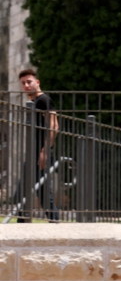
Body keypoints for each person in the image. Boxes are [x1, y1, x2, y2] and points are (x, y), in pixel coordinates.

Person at [18, 69, 59, 221]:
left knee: (42, 196)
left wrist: (45, 152)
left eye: (29, 82)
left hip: (40, 155)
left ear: (37, 82)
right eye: (23, 83)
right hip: (32, 154)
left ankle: (56, 224)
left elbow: (53, 126)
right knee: (22, 194)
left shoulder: (43, 100)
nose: (26, 85)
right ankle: (21, 227)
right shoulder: (33, 102)